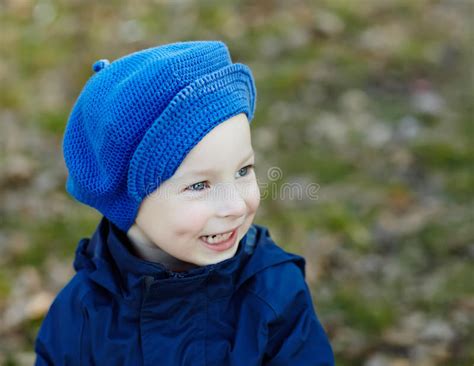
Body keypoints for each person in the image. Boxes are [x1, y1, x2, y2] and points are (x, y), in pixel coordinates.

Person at [34, 40, 334, 365]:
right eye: (200, 185)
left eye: (243, 170)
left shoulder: (273, 294)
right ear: (127, 202)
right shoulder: (82, 316)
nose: (235, 205)